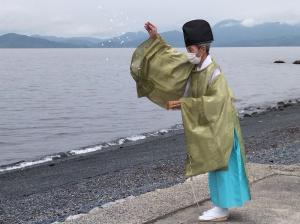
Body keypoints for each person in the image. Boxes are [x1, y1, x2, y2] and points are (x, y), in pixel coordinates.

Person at [130, 20, 251, 221]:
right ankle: (220, 205)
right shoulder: (195, 65)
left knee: (221, 164)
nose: (187, 53)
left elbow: (218, 102)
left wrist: (185, 104)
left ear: (202, 49)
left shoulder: (214, 72)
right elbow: (169, 57)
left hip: (223, 126)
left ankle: (222, 209)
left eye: (190, 49)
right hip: (215, 125)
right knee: (216, 165)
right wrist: (155, 38)